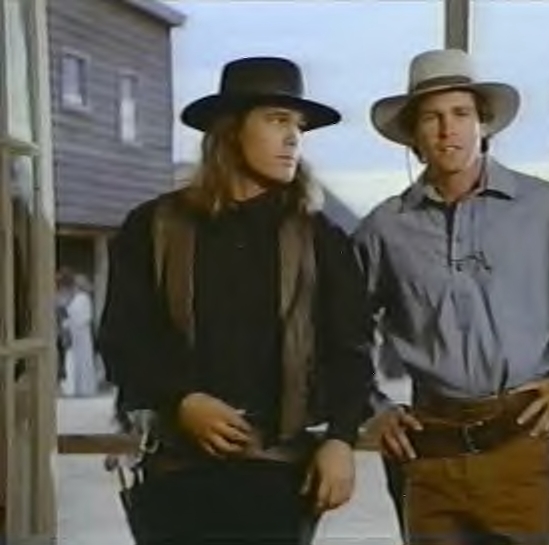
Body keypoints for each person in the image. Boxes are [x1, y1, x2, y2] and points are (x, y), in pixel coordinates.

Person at [354, 49, 549, 545]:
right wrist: (373, 406)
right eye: (431, 117)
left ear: (483, 124)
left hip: (517, 441)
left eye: (460, 114)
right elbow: (338, 328)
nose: (447, 130)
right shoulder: (385, 228)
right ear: (413, 136)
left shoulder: (548, 210)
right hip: (426, 448)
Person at [97, 56, 374, 545]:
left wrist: (340, 439)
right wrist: (181, 400)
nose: (293, 138)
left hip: (278, 478)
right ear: (230, 131)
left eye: (298, 126)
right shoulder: (154, 227)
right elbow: (124, 339)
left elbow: (351, 351)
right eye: (277, 120)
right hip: (176, 475)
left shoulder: (320, 238)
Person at [60, 273, 98, 397]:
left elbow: (83, 317)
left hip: (80, 335)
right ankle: (79, 386)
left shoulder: (82, 298)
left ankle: (82, 387)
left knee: (79, 361)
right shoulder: (77, 298)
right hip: (77, 335)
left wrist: (67, 320)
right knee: (76, 360)